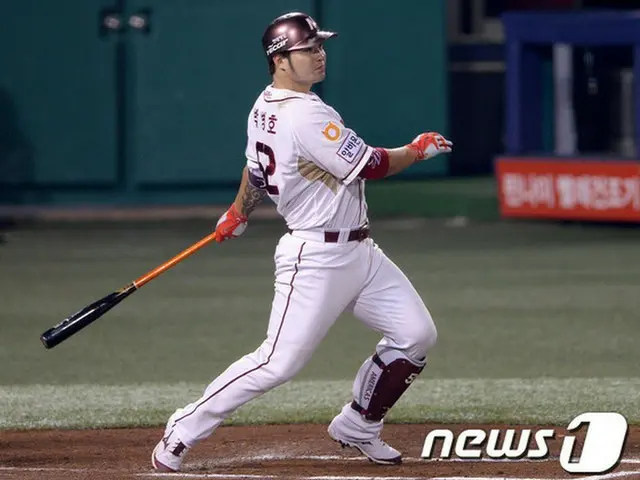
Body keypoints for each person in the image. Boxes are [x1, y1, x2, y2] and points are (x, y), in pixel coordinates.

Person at [152, 11, 452, 472]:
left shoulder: (264, 105)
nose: (319, 55)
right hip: (316, 257)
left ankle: (359, 424)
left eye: (320, 46)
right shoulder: (307, 115)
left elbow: (255, 170)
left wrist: (238, 212)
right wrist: (417, 149)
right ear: (280, 60)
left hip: (362, 253)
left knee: (415, 335)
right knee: (277, 362)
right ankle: (184, 426)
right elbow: (371, 164)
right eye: (308, 49)